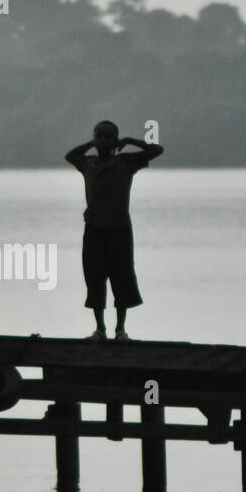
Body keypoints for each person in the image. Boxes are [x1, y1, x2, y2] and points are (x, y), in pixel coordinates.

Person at [64, 120, 164, 340]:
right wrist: (90, 144)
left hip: (119, 229)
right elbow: (70, 155)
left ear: (115, 140)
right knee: (94, 278)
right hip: (94, 230)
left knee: (122, 278)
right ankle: (100, 329)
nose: (102, 140)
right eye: (98, 136)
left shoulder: (126, 162)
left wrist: (129, 141)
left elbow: (157, 150)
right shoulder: (87, 163)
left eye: (107, 136)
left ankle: (120, 329)